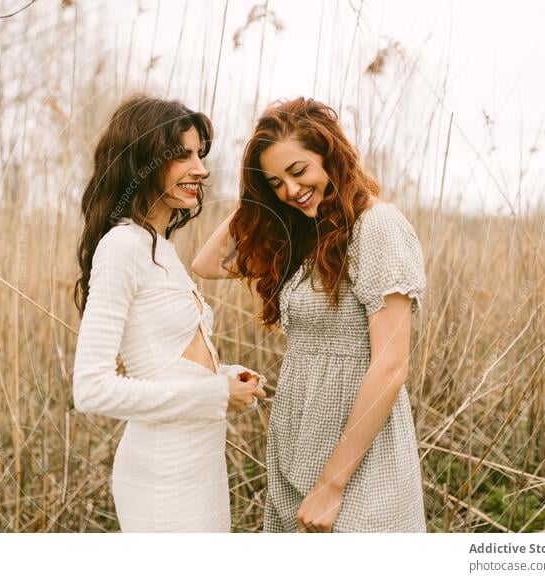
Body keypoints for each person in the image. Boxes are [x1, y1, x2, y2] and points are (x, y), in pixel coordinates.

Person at [192, 97, 427, 532]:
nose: (291, 190)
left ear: (330, 155)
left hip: (357, 460)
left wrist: (332, 485)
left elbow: (392, 366)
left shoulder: (377, 227)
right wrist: (257, 199)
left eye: (298, 171)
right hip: (297, 443)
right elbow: (207, 264)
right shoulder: (302, 240)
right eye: (275, 183)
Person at [72, 94, 267, 532]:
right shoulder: (122, 247)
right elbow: (91, 389)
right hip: (163, 477)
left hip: (201, 466)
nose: (200, 168)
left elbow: (169, 365)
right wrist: (214, 396)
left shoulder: (160, 247)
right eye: (182, 155)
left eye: (200, 154)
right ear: (140, 161)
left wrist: (225, 379)